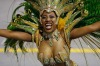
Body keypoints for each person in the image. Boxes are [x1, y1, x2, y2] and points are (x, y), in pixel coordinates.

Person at [0, 0, 100, 66]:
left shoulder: (65, 34)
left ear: (57, 19)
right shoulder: (37, 36)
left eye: (51, 17)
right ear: (40, 20)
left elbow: (92, 27)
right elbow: (10, 34)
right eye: (44, 17)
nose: (48, 20)